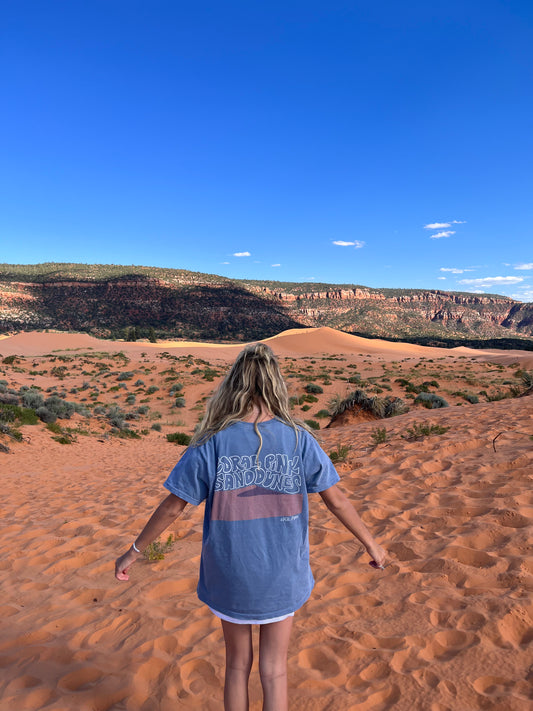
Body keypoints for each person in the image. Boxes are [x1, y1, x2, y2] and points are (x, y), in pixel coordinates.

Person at [115, 343, 386, 711]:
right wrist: (372, 544)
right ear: (276, 384)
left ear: (234, 383)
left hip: (230, 574)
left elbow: (173, 507)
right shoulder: (299, 438)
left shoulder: (211, 441)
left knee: (237, 665)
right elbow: (336, 500)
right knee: (274, 671)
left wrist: (133, 552)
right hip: (282, 575)